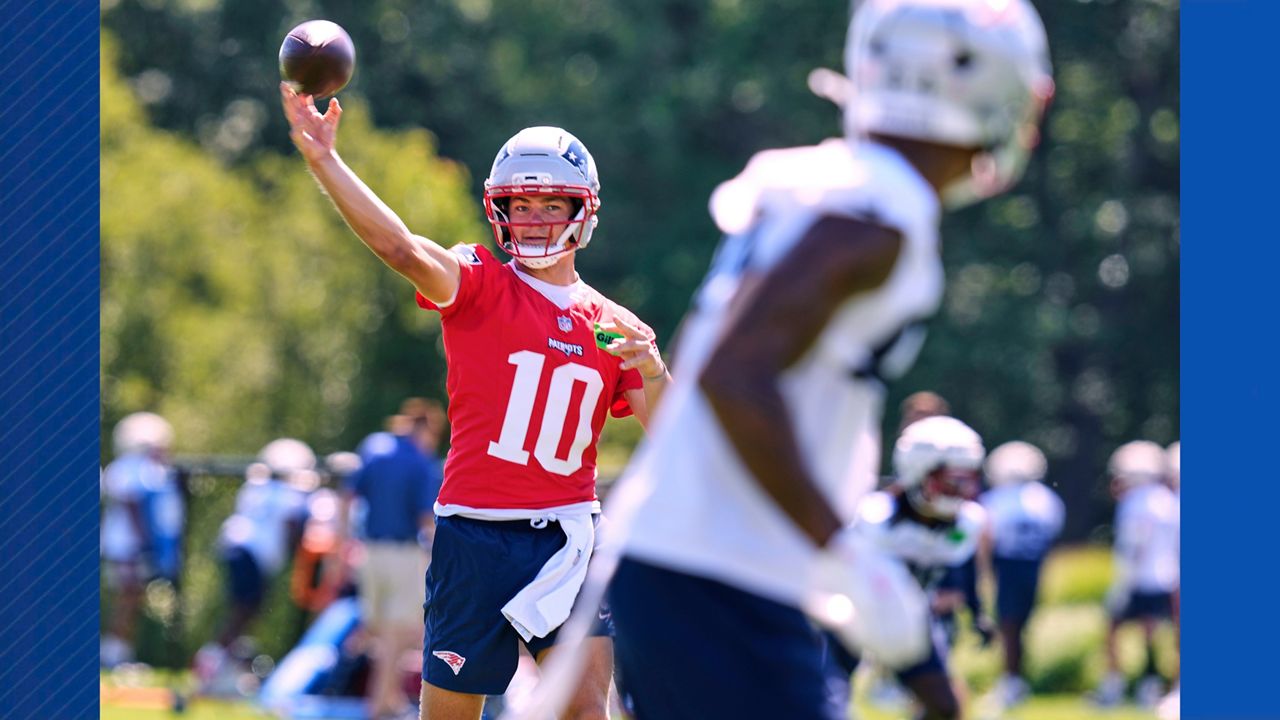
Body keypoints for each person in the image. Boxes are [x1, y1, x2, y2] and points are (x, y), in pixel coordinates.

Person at [605, 1, 1055, 717]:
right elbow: (734, 371)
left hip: (697, 561)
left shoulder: (827, 181)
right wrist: (842, 550)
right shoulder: (885, 213)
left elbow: (708, 353)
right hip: (721, 573)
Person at [279, 84, 670, 720]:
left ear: (584, 212)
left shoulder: (614, 323)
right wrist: (326, 159)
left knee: (585, 712)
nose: (537, 218)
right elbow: (400, 247)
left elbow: (678, 440)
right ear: (500, 210)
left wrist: (652, 368)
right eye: (522, 203)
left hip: (569, 536)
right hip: (473, 536)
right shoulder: (481, 282)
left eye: (553, 203)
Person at [336, 401, 445, 720]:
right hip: (403, 555)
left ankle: (387, 698)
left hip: (368, 552)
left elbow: (347, 497)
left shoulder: (373, 446)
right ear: (426, 427)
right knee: (399, 634)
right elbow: (426, 518)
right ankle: (380, 704)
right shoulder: (418, 460)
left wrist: (343, 544)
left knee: (380, 632)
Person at [197, 438, 316, 694]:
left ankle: (221, 664)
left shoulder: (256, 486)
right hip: (253, 553)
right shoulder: (289, 494)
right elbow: (291, 528)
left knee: (244, 610)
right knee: (243, 611)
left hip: (234, 545)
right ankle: (212, 666)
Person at [977, 440, 1065, 709]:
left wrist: (983, 574)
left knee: (1008, 626)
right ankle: (1015, 680)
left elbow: (986, 538)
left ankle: (1011, 682)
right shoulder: (1046, 498)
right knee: (1019, 627)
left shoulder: (997, 500)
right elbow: (1053, 532)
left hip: (1007, 566)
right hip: (1033, 565)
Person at [1095, 440, 1180, 708]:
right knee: (1155, 633)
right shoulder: (1168, 499)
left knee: (1112, 630)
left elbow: (1136, 546)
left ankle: (1115, 686)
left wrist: (1123, 583)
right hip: (1168, 578)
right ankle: (1152, 683)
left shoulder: (1135, 503)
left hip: (1140, 580)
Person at [101, 411, 184, 668]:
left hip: (132, 545)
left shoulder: (144, 469)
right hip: (127, 545)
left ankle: (119, 653)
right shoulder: (130, 468)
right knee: (127, 597)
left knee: (132, 598)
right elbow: (132, 504)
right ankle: (112, 655)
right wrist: (146, 542)